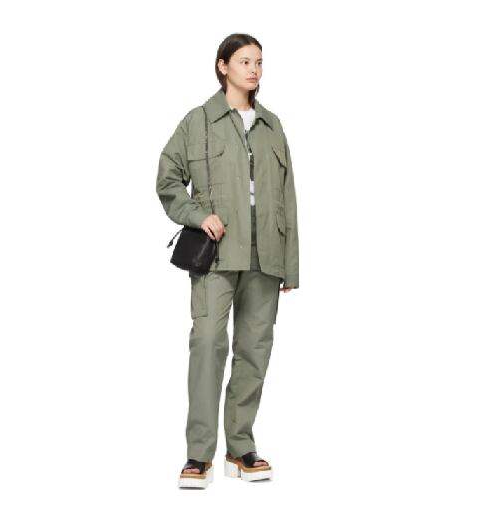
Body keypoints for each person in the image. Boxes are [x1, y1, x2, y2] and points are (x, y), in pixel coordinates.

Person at [156, 33, 299, 488]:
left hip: (266, 254)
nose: (254, 69)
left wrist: (290, 265)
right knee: (207, 346)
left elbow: (288, 198)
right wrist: (198, 215)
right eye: (244, 61)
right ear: (222, 66)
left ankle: (240, 447)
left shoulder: (273, 126)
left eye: (259, 62)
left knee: (254, 351)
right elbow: (168, 179)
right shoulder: (198, 121)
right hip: (217, 255)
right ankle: (198, 455)